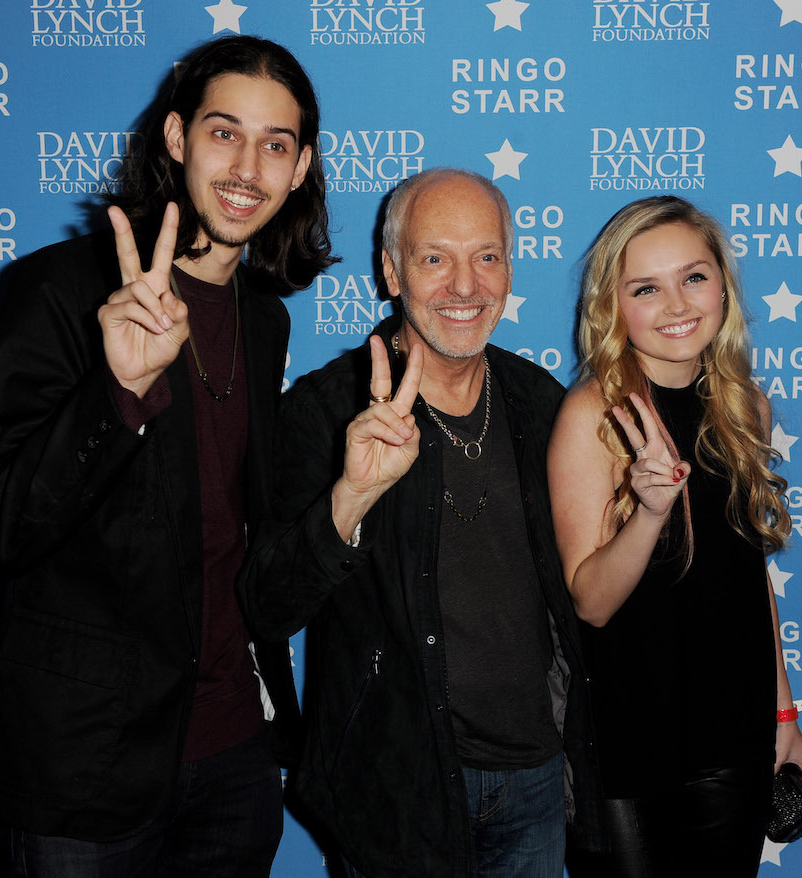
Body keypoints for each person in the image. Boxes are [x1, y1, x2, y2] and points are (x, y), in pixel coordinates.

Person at [0, 35, 335, 877]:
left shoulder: (264, 319)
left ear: (301, 165)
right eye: (223, 132)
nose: (247, 166)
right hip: (85, 766)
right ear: (175, 138)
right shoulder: (57, 290)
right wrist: (117, 392)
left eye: (276, 144)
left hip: (236, 754)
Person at [238, 168, 603, 877]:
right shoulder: (324, 409)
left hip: (536, 780)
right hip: (396, 786)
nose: (465, 285)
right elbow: (267, 605)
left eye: (486, 256)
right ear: (391, 271)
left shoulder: (539, 401)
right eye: (435, 257)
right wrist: (350, 496)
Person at [547, 196, 802, 877]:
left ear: (722, 281)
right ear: (614, 304)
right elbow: (592, 603)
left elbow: (750, 577)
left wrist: (784, 718)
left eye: (693, 276)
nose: (677, 304)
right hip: (632, 746)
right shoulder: (593, 415)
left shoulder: (742, 402)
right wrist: (652, 511)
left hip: (738, 730)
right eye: (646, 288)